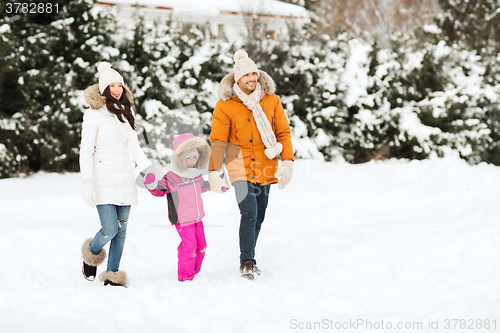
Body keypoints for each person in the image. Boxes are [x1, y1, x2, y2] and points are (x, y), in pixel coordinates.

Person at [208, 50, 295, 280]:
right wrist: (215, 171)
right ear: (237, 79)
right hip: (239, 166)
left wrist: (287, 162)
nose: (252, 79)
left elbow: (282, 132)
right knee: (249, 212)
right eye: (247, 76)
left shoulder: (271, 100)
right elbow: (218, 141)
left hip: (266, 165)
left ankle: (249, 254)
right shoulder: (225, 105)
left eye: (254, 74)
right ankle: (247, 261)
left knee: (260, 214)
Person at [79, 62, 152, 287]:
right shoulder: (93, 115)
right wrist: (88, 183)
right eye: (112, 85)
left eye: (120, 85)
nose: (117, 89)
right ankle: (92, 252)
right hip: (103, 180)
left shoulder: (125, 113)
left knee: (121, 232)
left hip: (125, 180)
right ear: (103, 88)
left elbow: (134, 147)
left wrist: (148, 170)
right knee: (110, 229)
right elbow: (86, 150)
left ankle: (112, 275)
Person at [142, 133, 219, 282]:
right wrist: (151, 184)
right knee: (189, 247)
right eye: (187, 158)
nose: (191, 162)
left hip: (197, 218)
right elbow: (159, 190)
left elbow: (202, 187)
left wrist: (217, 184)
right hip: (183, 219)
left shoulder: (195, 174)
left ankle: (194, 272)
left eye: (194, 157)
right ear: (179, 158)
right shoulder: (172, 177)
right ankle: (185, 277)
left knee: (201, 246)